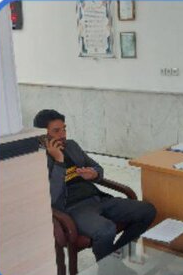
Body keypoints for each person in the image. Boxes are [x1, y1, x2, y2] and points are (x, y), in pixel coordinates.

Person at [34, 109, 156, 261]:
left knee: (147, 211)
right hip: (72, 209)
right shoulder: (36, 160)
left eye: (64, 129)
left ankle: (115, 260)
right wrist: (59, 161)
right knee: (106, 229)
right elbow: (52, 197)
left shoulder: (71, 146)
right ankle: (108, 269)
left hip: (97, 199)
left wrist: (94, 174)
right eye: (56, 131)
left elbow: (97, 168)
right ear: (42, 135)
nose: (63, 135)